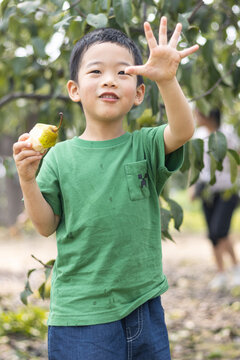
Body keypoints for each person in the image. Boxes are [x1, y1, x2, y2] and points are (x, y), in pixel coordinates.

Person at [13, 17, 198, 360]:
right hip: (80, 316)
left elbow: (183, 129)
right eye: (96, 72)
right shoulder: (59, 157)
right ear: (74, 89)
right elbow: (44, 225)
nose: (110, 80)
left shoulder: (145, 145)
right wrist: (27, 178)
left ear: (140, 93)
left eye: (123, 72)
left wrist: (168, 80)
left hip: (144, 306)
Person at [193, 109, 240, 290]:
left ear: (209, 115)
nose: (196, 117)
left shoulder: (227, 133)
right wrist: (193, 187)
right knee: (213, 235)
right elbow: (196, 165)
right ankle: (220, 273)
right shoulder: (198, 135)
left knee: (219, 230)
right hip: (207, 190)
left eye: (198, 114)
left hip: (228, 190)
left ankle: (235, 268)